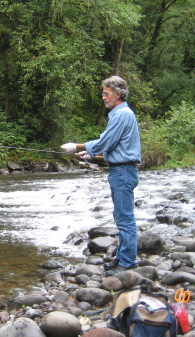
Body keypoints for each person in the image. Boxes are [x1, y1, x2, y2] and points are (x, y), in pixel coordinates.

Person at [61, 75, 141, 276]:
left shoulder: (122, 114)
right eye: (103, 94)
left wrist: (77, 147)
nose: (103, 97)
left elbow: (106, 141)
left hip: (123, 171)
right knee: (121, 216)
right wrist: (91, 153)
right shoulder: (120, 114)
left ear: (118, 94)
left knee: (125, 219)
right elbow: (114, 145)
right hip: (121, 169)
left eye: (106, 94)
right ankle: (122, 258)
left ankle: (128, 261)